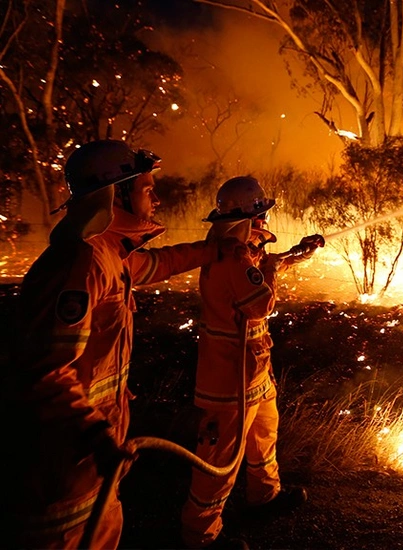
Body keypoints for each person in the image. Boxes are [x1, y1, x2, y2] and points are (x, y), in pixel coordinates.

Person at [5, 139, 234, 549]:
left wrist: (216, 249)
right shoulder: (82, 263)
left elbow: (162, 263)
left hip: (94, 461)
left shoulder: (110, 253)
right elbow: (43, 371)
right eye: (147, 188)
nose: (156, 197)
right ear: (116, 193)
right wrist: (96, 434)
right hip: (64, 464)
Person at [181, 176, 321, 549]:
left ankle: (264, 496)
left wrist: (298, 254)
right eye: (262, 215)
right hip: (228, 379)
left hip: (253, 371)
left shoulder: (241, 252)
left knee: (264, 437)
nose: (266, 222)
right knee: (219, 459)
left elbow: (264, 264)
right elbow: (260, 301)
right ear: (248, 219)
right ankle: (201, 535)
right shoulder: (233, 256)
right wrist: (275, 269)